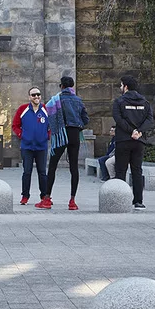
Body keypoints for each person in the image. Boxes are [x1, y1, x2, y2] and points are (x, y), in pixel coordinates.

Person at [44, 73, 89, 210]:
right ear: (72, 86)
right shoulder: (78, 100)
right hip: (75, 134)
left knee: (52, 166)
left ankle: (46, 198)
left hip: (60, 134)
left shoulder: (55, 100)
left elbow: (48, 116)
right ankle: (72, 201)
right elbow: (85, 119)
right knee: (74, 167)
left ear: (61, 86)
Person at [111, 74, 151, 210]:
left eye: (121, 85)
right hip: (139, 141)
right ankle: (138, 201)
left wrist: (130, 131)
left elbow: (119, 119)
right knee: (137, 171)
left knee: (120, 170)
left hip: (123, 140)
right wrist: (138, 131)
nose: (120, 87)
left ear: (126, 87)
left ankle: (120, 200)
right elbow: (149, 120)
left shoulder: (119, 102)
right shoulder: (145, 102)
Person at [15, 88, 51, 207]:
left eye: (38, 94)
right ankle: (25, 196)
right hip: (27, 146)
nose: (36, 97)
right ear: (29, 97)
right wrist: (22, 135)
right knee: (27, 172)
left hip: (41, 146)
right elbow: (15, 125)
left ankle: (44, 196)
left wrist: (47, 136)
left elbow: (52, 125)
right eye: (33, 95)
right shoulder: (23, 109)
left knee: (42, 172)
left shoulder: (46, 109)